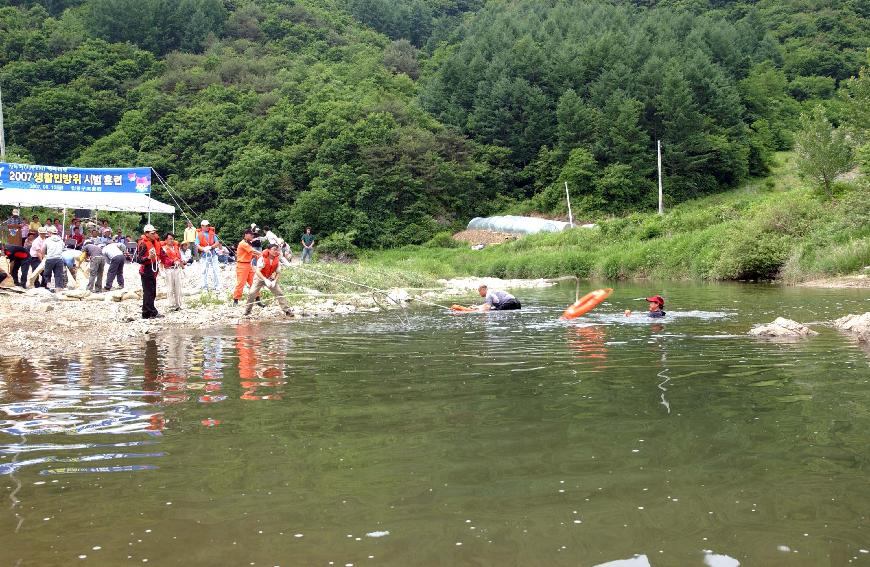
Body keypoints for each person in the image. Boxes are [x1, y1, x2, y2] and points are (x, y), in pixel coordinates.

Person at [244, 243, 292, 316]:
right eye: (274, 249)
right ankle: (247, 311)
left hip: (270, 278)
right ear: (269, 250)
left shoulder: (277, 259)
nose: (276, 251)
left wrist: (274, 281)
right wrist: (265, 280)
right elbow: (257, 271)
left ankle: (287, 311)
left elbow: (278, 272)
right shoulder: (262, 258)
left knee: (279, 293)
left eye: (277, 250)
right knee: (252, 293)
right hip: (259, 278)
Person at [137, 224, 163, 319]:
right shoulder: (143, 244)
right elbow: (138, 259)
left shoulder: (155, 242)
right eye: (153, 233)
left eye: (155, 232)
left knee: (152, 291)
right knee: (148, 291)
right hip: (146, 269)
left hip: (153, 268)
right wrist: (148, 258)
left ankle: (147, 312)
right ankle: (150, 312)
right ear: (146, 234)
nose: (155, 234)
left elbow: (162, 254)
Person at [233, 229, 261, 306]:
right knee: (241, 283)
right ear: (246, 235)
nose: (253, 236)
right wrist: (263, 254)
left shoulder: (248, 243)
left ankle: (258, 300)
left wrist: (258, 257)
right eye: (251, 234)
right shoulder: (243, 243)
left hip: (249, 265)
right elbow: (253, 251)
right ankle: (235, 300)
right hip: (242, 265)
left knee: (254, 283)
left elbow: (252, 254)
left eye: (253, 235)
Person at [161, 232, 184, 312]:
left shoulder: (176, 247)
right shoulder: (163, 248)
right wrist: (173, 261)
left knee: (178, 287)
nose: (172, 240)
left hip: (177, 269)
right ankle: (171, 305)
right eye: (170, 239)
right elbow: (164, 260)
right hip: (169, 269)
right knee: (170, 287)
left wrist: (182, 265)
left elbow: (179, 257)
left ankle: (178, 304)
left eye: (172, 239)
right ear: (166, 240)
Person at [196, 220, 221, 293]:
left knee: (216, 270)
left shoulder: (212, 233)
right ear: (202, 226)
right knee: (204, 271)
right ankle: (204, 287)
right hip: (204, 255)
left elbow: (217, 242)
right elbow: (197, 245)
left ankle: (217, 286)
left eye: (207, 225)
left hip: (213, 254)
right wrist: (203, 249)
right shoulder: (199, 234)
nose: (207, 227)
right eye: (205, 225)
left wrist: (211, 247)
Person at [42, 226, 66, 291]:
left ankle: (49, 287)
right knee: (58, 275)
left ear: (50, 232)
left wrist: (44, 256)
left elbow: (43, 250)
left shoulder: (47, 240)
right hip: (59, 259)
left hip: (50, 258)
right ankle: (58, 288)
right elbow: (63, 249)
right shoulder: (60, 240)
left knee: (47, 274)